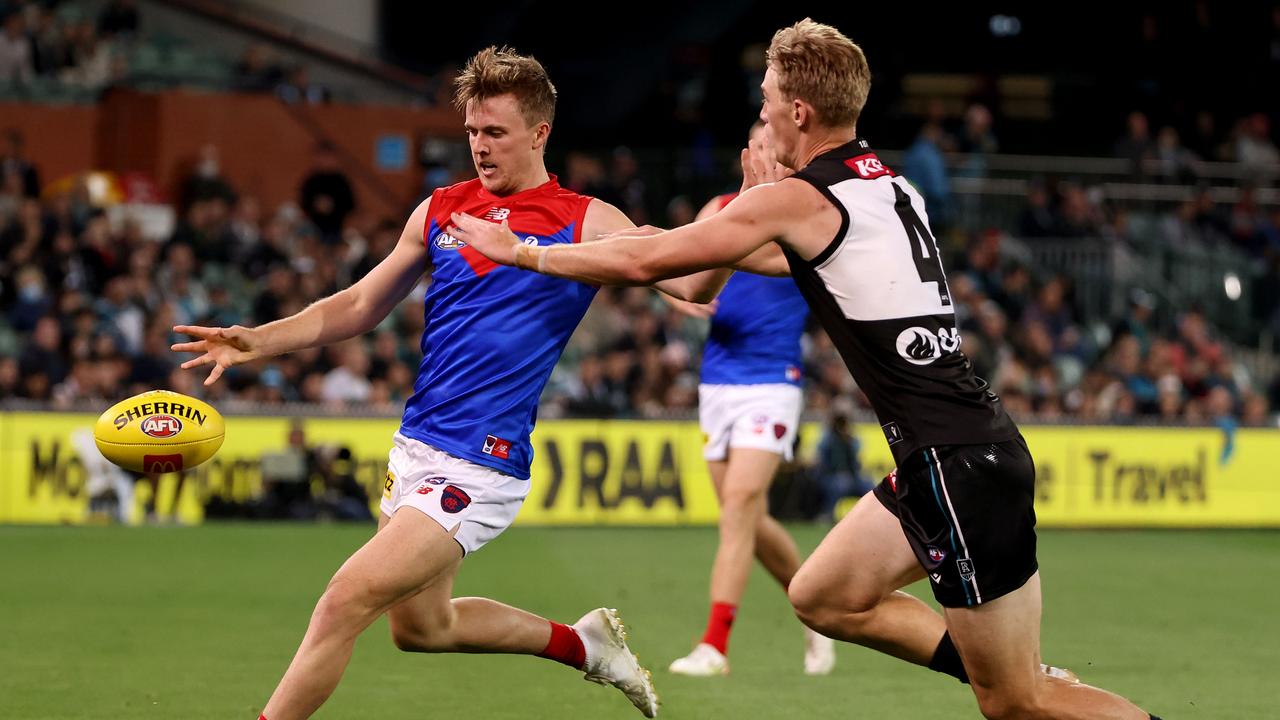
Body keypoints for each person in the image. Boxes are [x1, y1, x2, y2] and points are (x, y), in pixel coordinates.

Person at [451, 20, 1162, 720]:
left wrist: (526, 252)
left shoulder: (799, 200)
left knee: (1015, 703)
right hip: (955, 453)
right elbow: (734, 263)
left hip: (956, 464)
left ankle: (1022, 677)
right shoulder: (890, 188)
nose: (760, 111)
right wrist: (750, 219)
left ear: (798, 111)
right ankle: (1012, 667)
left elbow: (649, 260)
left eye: (766, 99)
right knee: (822, 595)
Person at [173, 47, 682, 720]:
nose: (479, 146)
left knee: (342, 601)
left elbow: (680, 272)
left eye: (495, 132)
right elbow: (358, 305)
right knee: (422, 629)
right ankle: (585, 645)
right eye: (471, 131)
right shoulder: (441, 208)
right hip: (416, 447)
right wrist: (258, 339)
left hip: (482, 458)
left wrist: (756, 219)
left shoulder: (584, 218)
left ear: (540, 133)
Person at [663, 123, 833, 677]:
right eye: (755, 143)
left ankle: (714, 646)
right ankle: (818, 613)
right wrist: (681, 295)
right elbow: (675, 263)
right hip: (719, 381)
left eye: (770, 143)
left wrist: (716, 247)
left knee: (739, 508)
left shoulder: (802, 211)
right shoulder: (720, 205)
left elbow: (764, 260)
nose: (762, 151)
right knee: (747, 520)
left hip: (772, 380)